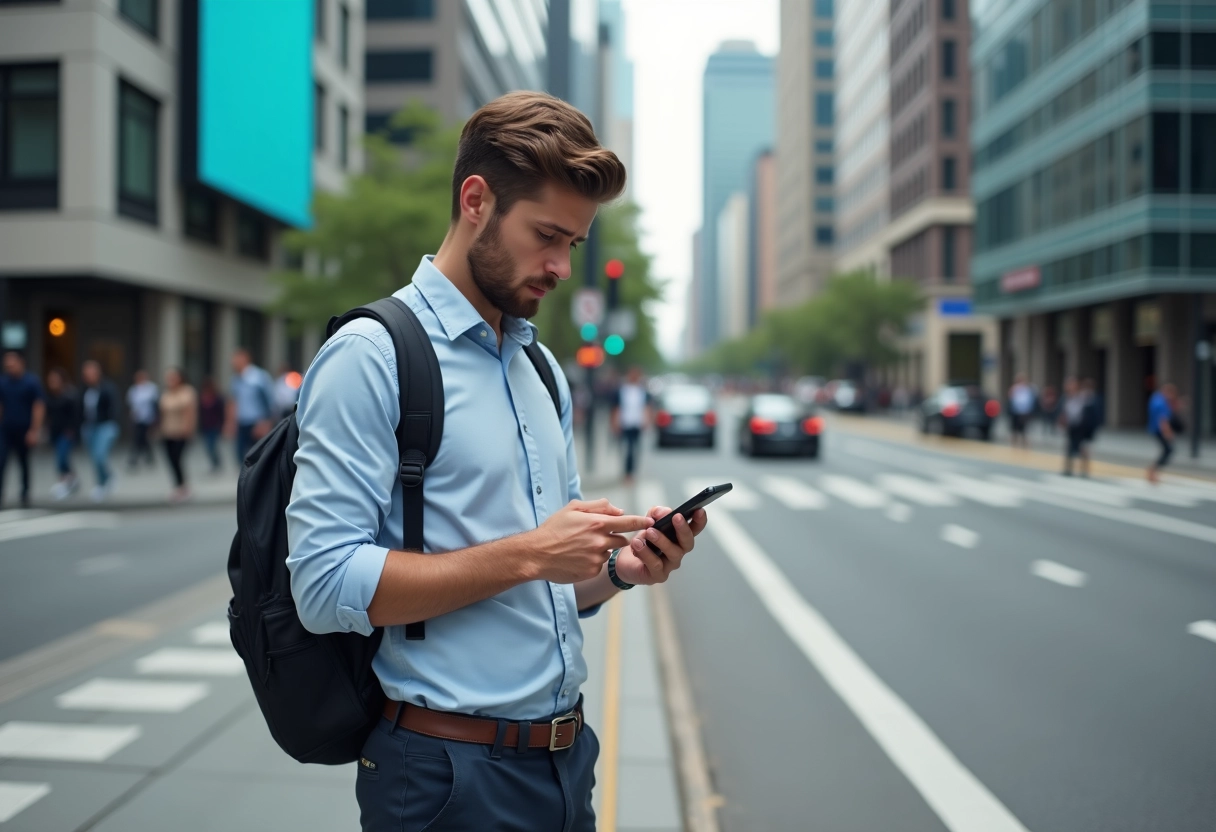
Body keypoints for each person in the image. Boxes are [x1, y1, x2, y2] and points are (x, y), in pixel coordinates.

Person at [286, 92, 708, 832]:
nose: (559, 267)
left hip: (565, 764)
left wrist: (617, 571)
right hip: (443, 777)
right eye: (546, 235)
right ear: (475, 200)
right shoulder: (371, 356)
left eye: (573, 245)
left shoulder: (542, 368)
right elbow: (322, 585)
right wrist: (529, 553)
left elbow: (547, 585)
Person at [0, 351, 45, 508]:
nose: (9, 367)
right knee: (1, 461)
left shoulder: (31, 382)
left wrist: (34, 430)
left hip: (24, 429)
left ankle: (25, 494)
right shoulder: (3, 382)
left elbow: (38, 406)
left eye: (12, 364)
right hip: (5, 429)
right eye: (7, 365)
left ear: (21, 363)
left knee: (23, 463)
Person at [79, 360, 120, 502]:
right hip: (89, 427)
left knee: (100, 455)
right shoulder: (85, 390)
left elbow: (114, 407)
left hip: (105, 425)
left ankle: (102, 484)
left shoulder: (107, 388)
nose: (88, 376)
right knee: (94, 458)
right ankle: (105, 479)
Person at [224, 348, 274, 464]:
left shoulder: (259, 377)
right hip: (241, 422)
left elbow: (268, 401)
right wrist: (230, 422)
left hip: (256, 422)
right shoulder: (235, 379)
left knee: (257, 453)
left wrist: (265, 422)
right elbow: (233, 401)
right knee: (239, 454)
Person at [159, 367, 197, 502]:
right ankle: (178, 485)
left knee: (177, 459)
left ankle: (183, 486)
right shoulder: (166, 393)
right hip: (168, 431)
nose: (170, 380)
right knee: (170, 460)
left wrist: (189, 430)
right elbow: (162, 413)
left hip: (181, 432)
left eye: (173, 377)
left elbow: (190, 413)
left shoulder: (187, 392)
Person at [611, 366, 651, 485]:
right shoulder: (621, 390)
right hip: (625, 423)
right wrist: (614, 422)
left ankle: (631, 472)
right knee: (626, 449)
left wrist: (647, 420)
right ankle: (627, 472)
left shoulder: (643, 391)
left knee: (634, 449)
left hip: (637, 424)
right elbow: (616, 408)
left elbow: (647, 407)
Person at [46, 368, 80, 500]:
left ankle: (64, 484)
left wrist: (73, 430)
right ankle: (72, 479)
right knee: (62, 458)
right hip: (55, 432)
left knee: (61, 458)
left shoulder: (70, 395)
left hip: (67, 433)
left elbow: (76, 415)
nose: (52, 382)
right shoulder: (50, 396)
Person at [1146, 382, 1180, 484]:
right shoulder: (1161, 402)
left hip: (1155, 429)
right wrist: (1167, 432)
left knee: (1166, 450)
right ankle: (1153, 471)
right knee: (1168, 450)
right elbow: (1163, 419)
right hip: (1159, 430)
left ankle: (1153, 471)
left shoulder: (1156, 398)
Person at [126, 369, 159, 469]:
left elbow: (155, 404)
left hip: (148, 418)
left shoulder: (152, 388)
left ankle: (138, 458)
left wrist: (155, 418)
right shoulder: (133, 389)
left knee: (143, 438)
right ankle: (141, 458)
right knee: (139, 438)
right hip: (137, 418)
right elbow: (130, 404)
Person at [1060, 377, 1091, 477]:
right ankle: (1068, 468)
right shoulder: (1067, 397)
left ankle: (1084, 470)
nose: (1068, 386)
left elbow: (1087, 412)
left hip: (1081, 426)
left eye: (1071, 384)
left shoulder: (1083, 397)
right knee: (1069, 447)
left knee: (1082, 448)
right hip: (1070, 426)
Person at [198, 377, 225, 473]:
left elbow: (221, 413)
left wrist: (222, 425)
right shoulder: (201, 397)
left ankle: (216, 463)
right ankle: (215, 462)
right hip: (205, 426)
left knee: (212, 446)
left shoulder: (218, 398)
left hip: (215, 426)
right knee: (208, 447)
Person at [1007, 372, 1036, 449]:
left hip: (1024, 412)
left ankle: (1025, 446)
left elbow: (1030, 401)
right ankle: (1014, 446)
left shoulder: (1028, 389)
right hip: (1016, 411)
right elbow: (1011, 398)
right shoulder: (1015, 388)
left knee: (1024, 430)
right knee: (1014, 430)